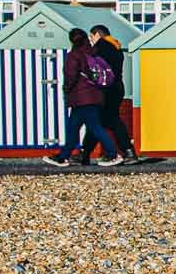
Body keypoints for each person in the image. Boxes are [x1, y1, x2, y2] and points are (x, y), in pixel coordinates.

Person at [43, 29, 122, 167]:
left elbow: (71, 77)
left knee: (93, 127)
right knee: (74, 127)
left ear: (72, 40)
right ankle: (63, 156)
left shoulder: (74, 55)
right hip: (95, 96)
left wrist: (66, 90)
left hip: (81, 98)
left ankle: (113, 154)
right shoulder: (92, 53)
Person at [79, 23, 138, 164]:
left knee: (105, 120)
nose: (91, 40)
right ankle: (85, 153)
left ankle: (127, 152)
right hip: (117, 87)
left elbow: (92, 68)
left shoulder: (101, 47)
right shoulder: (116, 46)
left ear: (97, 35)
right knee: (101, 120)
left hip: (105, 89)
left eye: (91, 37)